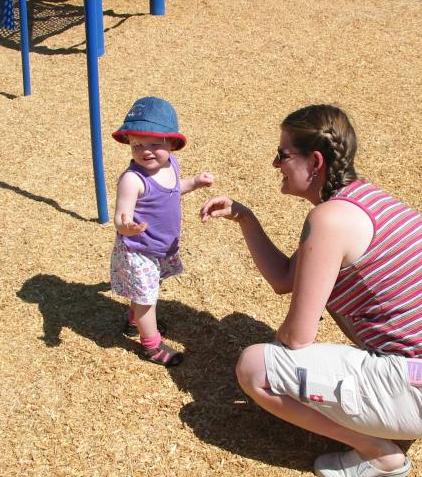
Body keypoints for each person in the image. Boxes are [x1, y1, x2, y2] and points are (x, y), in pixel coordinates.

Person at [200, 104, 421, 477]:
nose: (276, 164)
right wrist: (245, 218)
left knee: (256, 368)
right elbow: (286, 278)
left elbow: (298, 338)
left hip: (414, 386)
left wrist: (280, 350)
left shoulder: (329, 219)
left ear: (315, 161)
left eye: (283, 154)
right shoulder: (362, 200)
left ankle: (380, 454)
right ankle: (386, 414)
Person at [111, 96, 213, 367]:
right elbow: (121, 216)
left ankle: (134, 320)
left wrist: (195, 182)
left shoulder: (170, 166)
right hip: (138, 250)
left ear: (171, 143)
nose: (146, 151)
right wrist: (126, 226)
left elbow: (174, 188)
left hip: (160, 246)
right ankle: (151, 345)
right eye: (137, 145)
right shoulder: (132, 179)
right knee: (147, 299)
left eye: (155, 144)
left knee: (148, 289)